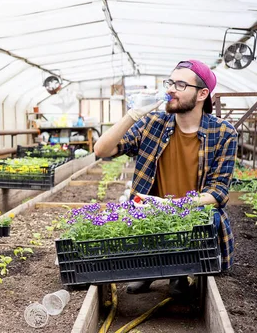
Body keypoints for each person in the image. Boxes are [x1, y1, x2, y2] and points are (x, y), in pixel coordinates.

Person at [94, 60, 236, 295]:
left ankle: (179, 274)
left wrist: (174, 205)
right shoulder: (152, 124)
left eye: (180, 84)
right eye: (170, 82)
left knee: (202, 220)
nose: (170, 89)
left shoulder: (223, 133)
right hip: (149, 216)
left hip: (190, 216)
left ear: (202, 94)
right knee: (144, 222)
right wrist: (133, 115)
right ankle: (146, 271)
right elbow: (102, 150)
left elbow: (218, 192)